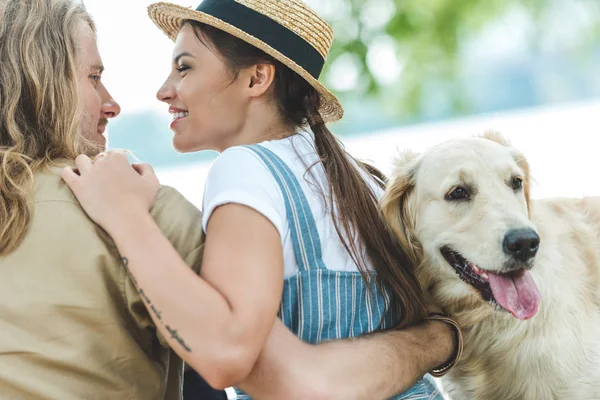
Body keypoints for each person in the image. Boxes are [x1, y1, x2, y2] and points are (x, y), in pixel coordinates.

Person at [62, 0, 463, 399]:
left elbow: (226, 354)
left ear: (256, 79)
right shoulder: (362, 179)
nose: (164, 91)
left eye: (184, 67)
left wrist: (125, 214)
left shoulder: (245, 168)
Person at [0, 0, 225, 398]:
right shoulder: (137, 203)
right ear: (43, 81)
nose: (112, 104)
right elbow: (258, 352)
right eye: (94, 77)